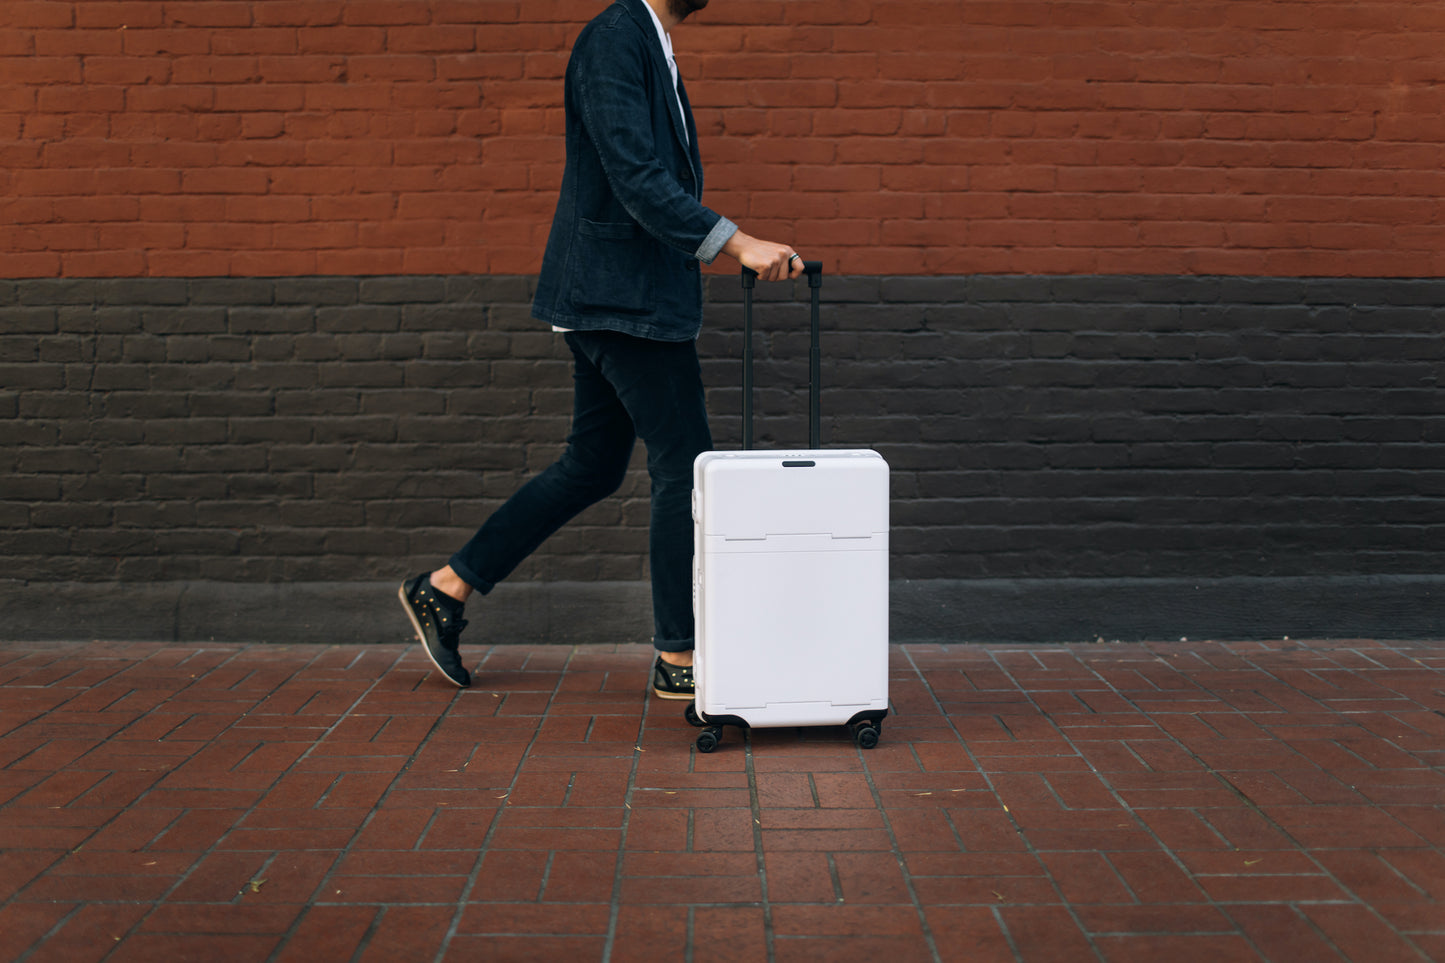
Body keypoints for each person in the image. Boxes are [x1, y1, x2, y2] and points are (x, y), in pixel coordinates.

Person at [399, 0, 804, 698]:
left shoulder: (648, 41)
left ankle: (446, 586)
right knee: (686, 467)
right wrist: (737, 242)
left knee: (592, 465)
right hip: (623, 303)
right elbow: (636, 177)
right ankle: (678, 656)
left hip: (621, 297)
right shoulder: (615, 37)